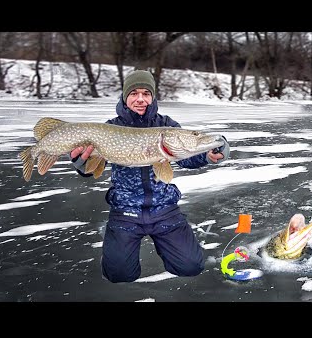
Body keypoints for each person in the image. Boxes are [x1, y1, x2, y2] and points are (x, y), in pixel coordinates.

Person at [69, 70, 230, 282]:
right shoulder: (111, 127)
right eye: (134, 93)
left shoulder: (167, 126)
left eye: (146, 93)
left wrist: (207, 155)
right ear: (125, 97)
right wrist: (82, 165)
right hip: (126, 210)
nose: (140, 99)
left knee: (191, 266)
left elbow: (183, 157)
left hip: (164, 209)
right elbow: (92, 166)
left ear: (152, 97)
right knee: (118, 274)